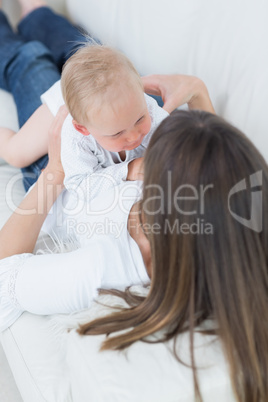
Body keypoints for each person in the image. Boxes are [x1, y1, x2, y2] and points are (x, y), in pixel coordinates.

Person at [0, 101, 267, 401]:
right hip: (104, 140)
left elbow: (4, 278)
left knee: (27, 61)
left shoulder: (106, 264)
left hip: (54, 182)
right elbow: (221, 175)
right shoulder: (218, 225)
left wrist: (55, 170)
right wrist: (196, 90)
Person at [0, 0, 214, 194]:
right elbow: (81, 184)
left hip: (115, 99)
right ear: (82, 128)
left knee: (87, 52)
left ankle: (36, 14)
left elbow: (198, 155)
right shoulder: (77, 138)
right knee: (17, 149)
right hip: (64, 111)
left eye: (140, 119)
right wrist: (128, 169)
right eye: (117, 133)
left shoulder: (150, 113)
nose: (133, 137)